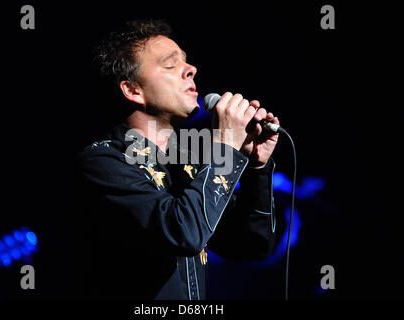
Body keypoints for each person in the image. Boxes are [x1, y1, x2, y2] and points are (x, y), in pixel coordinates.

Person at [76, 19, 281, 300]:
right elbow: (183, 232)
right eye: (171, 65)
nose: (191, 70)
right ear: (133, 90)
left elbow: (250, 246)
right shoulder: (103, 163)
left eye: (187, 62)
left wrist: (256, 167)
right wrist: (226, 147)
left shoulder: (187, 157)